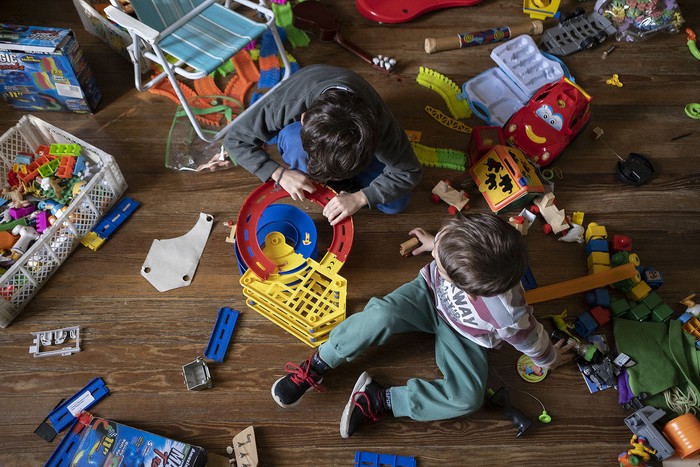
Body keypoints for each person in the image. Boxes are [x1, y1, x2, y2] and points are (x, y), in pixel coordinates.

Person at [269, 212, 575, 438]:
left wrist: (549, 359)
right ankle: (321, 361)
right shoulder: (460, 235)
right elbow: (445, 241)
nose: (435, 258)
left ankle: (381, 399)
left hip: (466, 335)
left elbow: (532, 339)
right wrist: (434, 244)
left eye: (440, 263)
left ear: (467, 288)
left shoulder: (507, 316)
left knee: (467, 398)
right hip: (427, 296)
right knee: (380, 316)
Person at [224, 64, 422, 226]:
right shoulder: (285, 104)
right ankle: (325, 172)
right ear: (304, 119)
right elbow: (234, 139)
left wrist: (360, 197)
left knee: (396, 203)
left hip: (356, 136)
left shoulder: (381, 127)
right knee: (294, 143)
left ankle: (348, 182)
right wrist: (278, 173)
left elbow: (409, 171)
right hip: (304, 115)